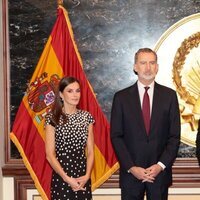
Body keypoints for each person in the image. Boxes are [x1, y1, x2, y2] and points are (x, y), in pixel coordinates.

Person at [110, 48, 180, 200]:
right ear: (135, 67)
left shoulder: (169, 96)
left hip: (159, 175)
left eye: (152, 63)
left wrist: (160, 165)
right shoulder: (121, 98)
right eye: (143, 63)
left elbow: (174, 137)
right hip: (131, 176)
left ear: (157, 67)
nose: (148, 68)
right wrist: (132, 167)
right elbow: (116, 136)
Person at [45, 76, 94, 200]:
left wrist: (87, 175)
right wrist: (67, 179)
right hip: (62, 177)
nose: (75, 95)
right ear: (61, 94)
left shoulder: (86, 117)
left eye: (77, 91)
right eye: (70, 91)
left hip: (83, 177)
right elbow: (50, 155)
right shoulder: (52, 118)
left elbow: (90, 151)